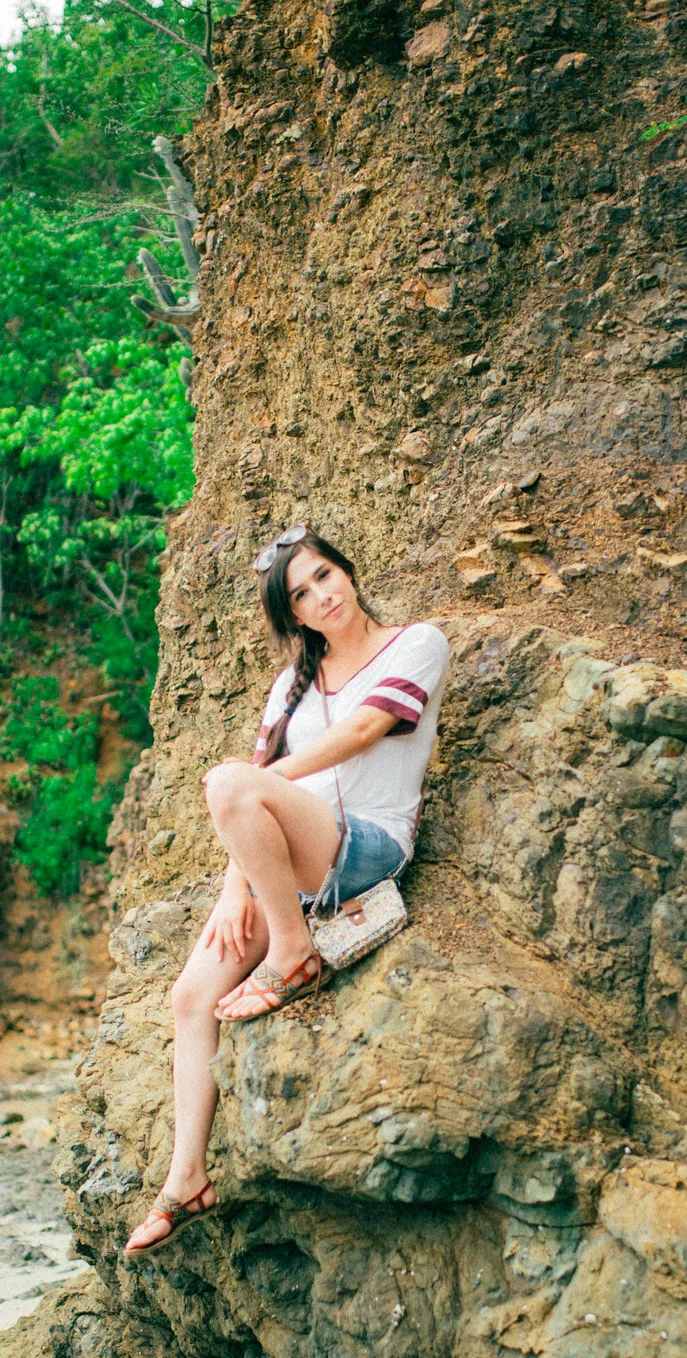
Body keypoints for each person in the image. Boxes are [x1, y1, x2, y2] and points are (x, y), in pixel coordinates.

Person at [123, 525, 450, 1257]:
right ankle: (186, 1179)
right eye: (302, 594)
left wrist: (264, 787)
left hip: (367, 846)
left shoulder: (416, 643)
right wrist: (236, 891)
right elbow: (253, 803)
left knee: (229, 780)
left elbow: (366, 730)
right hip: (297, 868)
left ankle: (295, 954)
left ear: (349, 570)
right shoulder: (290, 685)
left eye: (326, 575)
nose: (322, 595)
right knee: (190, 994)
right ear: (294, 616)